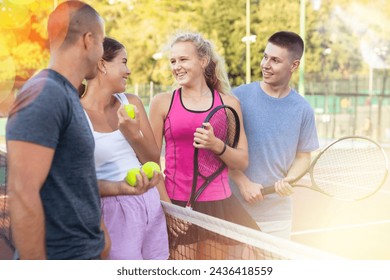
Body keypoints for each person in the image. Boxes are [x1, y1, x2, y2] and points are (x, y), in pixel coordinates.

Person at [6, 1, 109, 259]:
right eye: (102, 42)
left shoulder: (66, 93)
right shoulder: (45, 94)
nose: (102, 52)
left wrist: (100, 236)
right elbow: (22, 193)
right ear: (88, 41)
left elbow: (75, 178)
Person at [149, 32, 259, 259]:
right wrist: (169, 207)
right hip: (176, 204)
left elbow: (242, 160)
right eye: (173, 61)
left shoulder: (229, 104)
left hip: (219, 205)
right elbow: (149, 161)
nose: (177, 66)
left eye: (183, 59)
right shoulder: (162, 103)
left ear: (203, 61)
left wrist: (216, 145)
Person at [80, 37, 169, 260]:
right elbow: (75, 182)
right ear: (102, 64)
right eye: (124, 61)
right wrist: (119, 190)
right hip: (109, 212)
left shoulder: (132, 102)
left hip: (150, 204)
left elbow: (153, 161)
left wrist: (133, 135)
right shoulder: (75, 113)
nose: (128, 70)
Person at [229, 31, 319, 239]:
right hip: (233, 211)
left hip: (277, 217)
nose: (266, 64)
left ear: (293, 66)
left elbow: (303, 156)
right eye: (265, 56)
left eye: (275, 60)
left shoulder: (303, 109)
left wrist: (289, 179)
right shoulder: (237, 97)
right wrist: (243, 182)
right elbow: (218, 150)